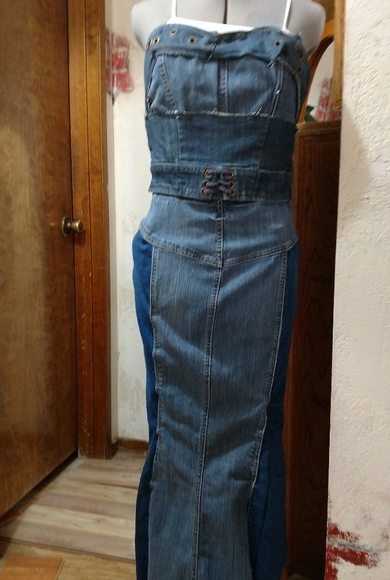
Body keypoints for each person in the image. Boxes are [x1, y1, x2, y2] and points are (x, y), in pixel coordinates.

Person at [131, 0, 325, 578]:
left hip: (264, 257)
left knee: (253, 439)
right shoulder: (148, 10)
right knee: (174, 435)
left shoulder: (304, 14)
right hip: (170, 253)